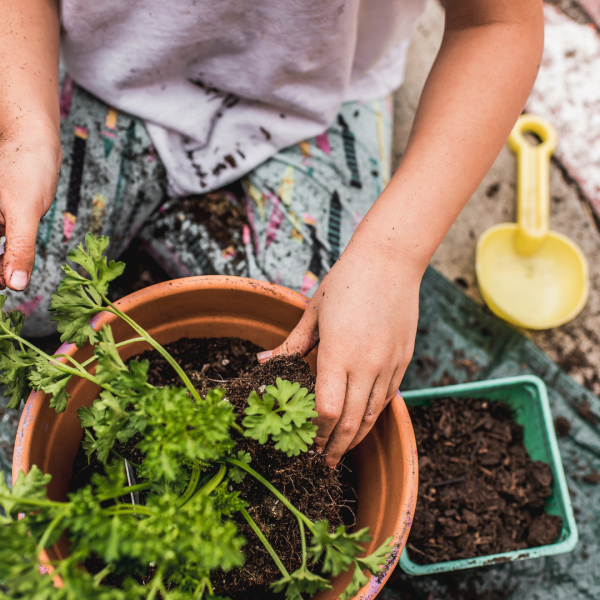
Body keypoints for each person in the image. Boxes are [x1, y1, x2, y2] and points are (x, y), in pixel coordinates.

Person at [0, 0, 543, 467]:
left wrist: (391, 255)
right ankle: (180, 227)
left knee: (323, 358)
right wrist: (22, 127)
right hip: (98, 71)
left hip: (318, 100)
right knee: (15, 284)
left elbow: (497, 24)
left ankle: (173, 226)